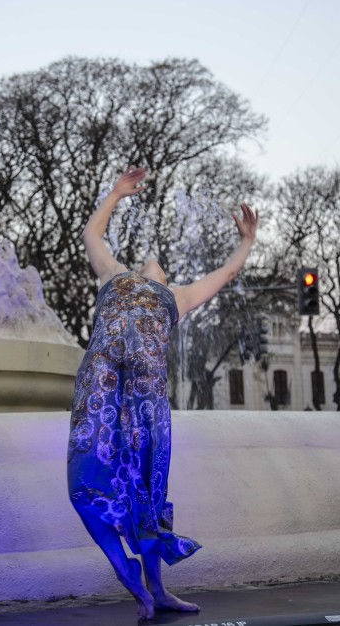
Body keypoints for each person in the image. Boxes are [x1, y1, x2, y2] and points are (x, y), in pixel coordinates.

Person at [67, 166, 259, 620]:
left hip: (146, 400)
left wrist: (247, 243)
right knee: (82, 485)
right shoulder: (111, 275)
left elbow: (226, 274)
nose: (154, 260)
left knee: (148, 496)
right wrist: (115, 193)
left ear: (166, 276)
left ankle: (157, 589)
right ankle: (125, 570)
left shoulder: (180, 296)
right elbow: (92, 233)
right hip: (100, 385)